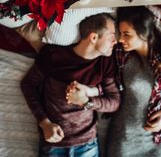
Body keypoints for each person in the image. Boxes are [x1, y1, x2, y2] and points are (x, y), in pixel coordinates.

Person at [21, 12, 120, 157]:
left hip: (87, 145)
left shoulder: (105, 63)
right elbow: (28, 85)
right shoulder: (53, 55)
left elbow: (114, 101)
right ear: (93, 37)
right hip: (53, 143)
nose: (115, 41)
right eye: (111, 36)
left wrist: (87, 101)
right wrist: (44, 123)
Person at [105, 6, 161, 157]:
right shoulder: (119, 54)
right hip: (125, 136)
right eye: (120, 33)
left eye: (127, 34)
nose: (121, 39)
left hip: (157, 137)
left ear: (143, 32)